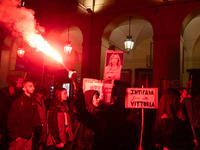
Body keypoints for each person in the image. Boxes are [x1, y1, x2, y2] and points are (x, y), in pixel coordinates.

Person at [69, 71, 115, 150]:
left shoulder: (99, 114)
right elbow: (79, 102)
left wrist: (111, 89)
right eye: (96, 97)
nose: (98, 99)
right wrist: (75, 82)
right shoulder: (84, 114)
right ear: (89, 99)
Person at [7, 78, 36, 150]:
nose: (33, 88)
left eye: (33, 86)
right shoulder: (18, 102)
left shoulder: (31, 102)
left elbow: (31, 119)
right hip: (19, 137)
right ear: (24, 88)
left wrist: (31, 133)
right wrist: (15, 136)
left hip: (28, 137)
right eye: (30, 86)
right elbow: (10, 120)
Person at [0, 85, 16, 150]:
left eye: (13, 88)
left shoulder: (13, 98)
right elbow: (3, 111)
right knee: (5, 138)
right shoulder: (5, 99)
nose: (13, 90)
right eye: (11, 89)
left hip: (9, 121)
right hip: (4, 122)